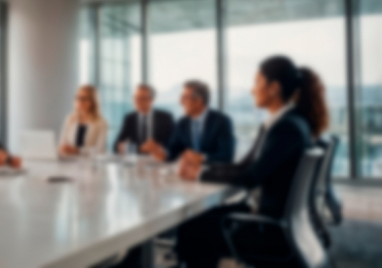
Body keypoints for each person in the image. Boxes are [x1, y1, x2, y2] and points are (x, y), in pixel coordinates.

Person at [174, 56, 329, 267]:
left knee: (193, 227)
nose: (252, 90)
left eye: (257, 82)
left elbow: (251, 176)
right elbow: (243, 167)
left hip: (270, 230)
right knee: (199, 219)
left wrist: (200, 175)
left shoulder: (286, 128)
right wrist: (202, 169)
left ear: (273, 88)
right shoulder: (282, 123)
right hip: (272, 220)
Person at [163, 80, 235, 163]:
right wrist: (163, 153)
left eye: (185, 98)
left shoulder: (222, 122)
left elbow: (226, 155)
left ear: (198, 101)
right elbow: (172, 150)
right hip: (186, 173)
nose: (181, 102)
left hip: (212, 173)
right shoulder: (182, 123)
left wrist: (201, 157)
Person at [113, 84, 174, 157]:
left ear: (151, 99)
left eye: (142, 98)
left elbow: (174, 145)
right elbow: (116, 147)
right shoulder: (130, 118)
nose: (137, 101)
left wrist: (158, 148)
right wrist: (139, 148)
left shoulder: (165, 118)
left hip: (160, 161)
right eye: (135, 98)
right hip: (137, 162)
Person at [58, 85, 109, 156]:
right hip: (69, 161)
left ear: (92, 101)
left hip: (89, 163)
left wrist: (78, 151)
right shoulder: (70, 119)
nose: (80, 101)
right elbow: (62, 143)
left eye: (84, 98)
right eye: (77, 98)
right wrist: (64, 148)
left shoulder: (101, 122)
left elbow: (100, 149)